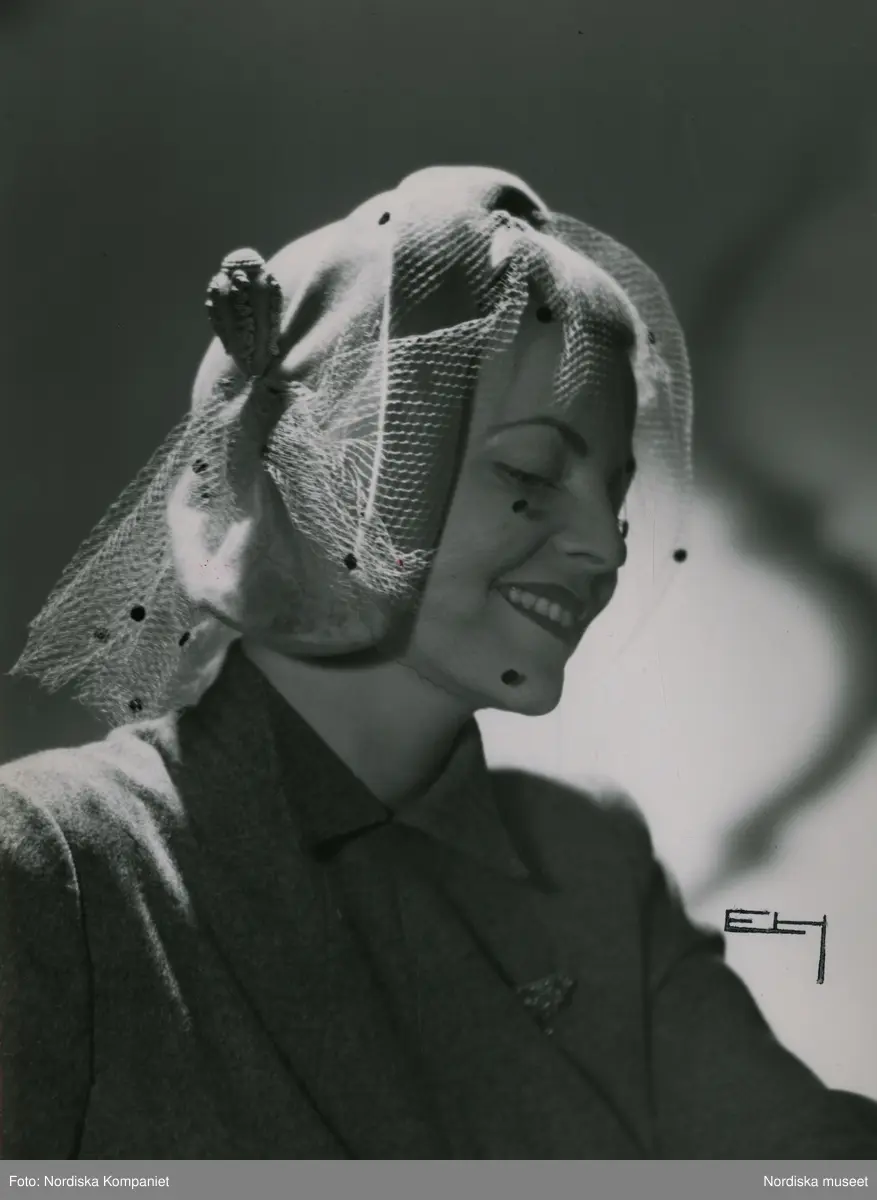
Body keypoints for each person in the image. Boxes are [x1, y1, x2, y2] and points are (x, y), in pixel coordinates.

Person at [1, 166, 875, 1160]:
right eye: (530, 471)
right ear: (342, 469)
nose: (605, 545)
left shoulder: (590, 861)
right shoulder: (50, 864)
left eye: (614, 491)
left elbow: (807, 1165)